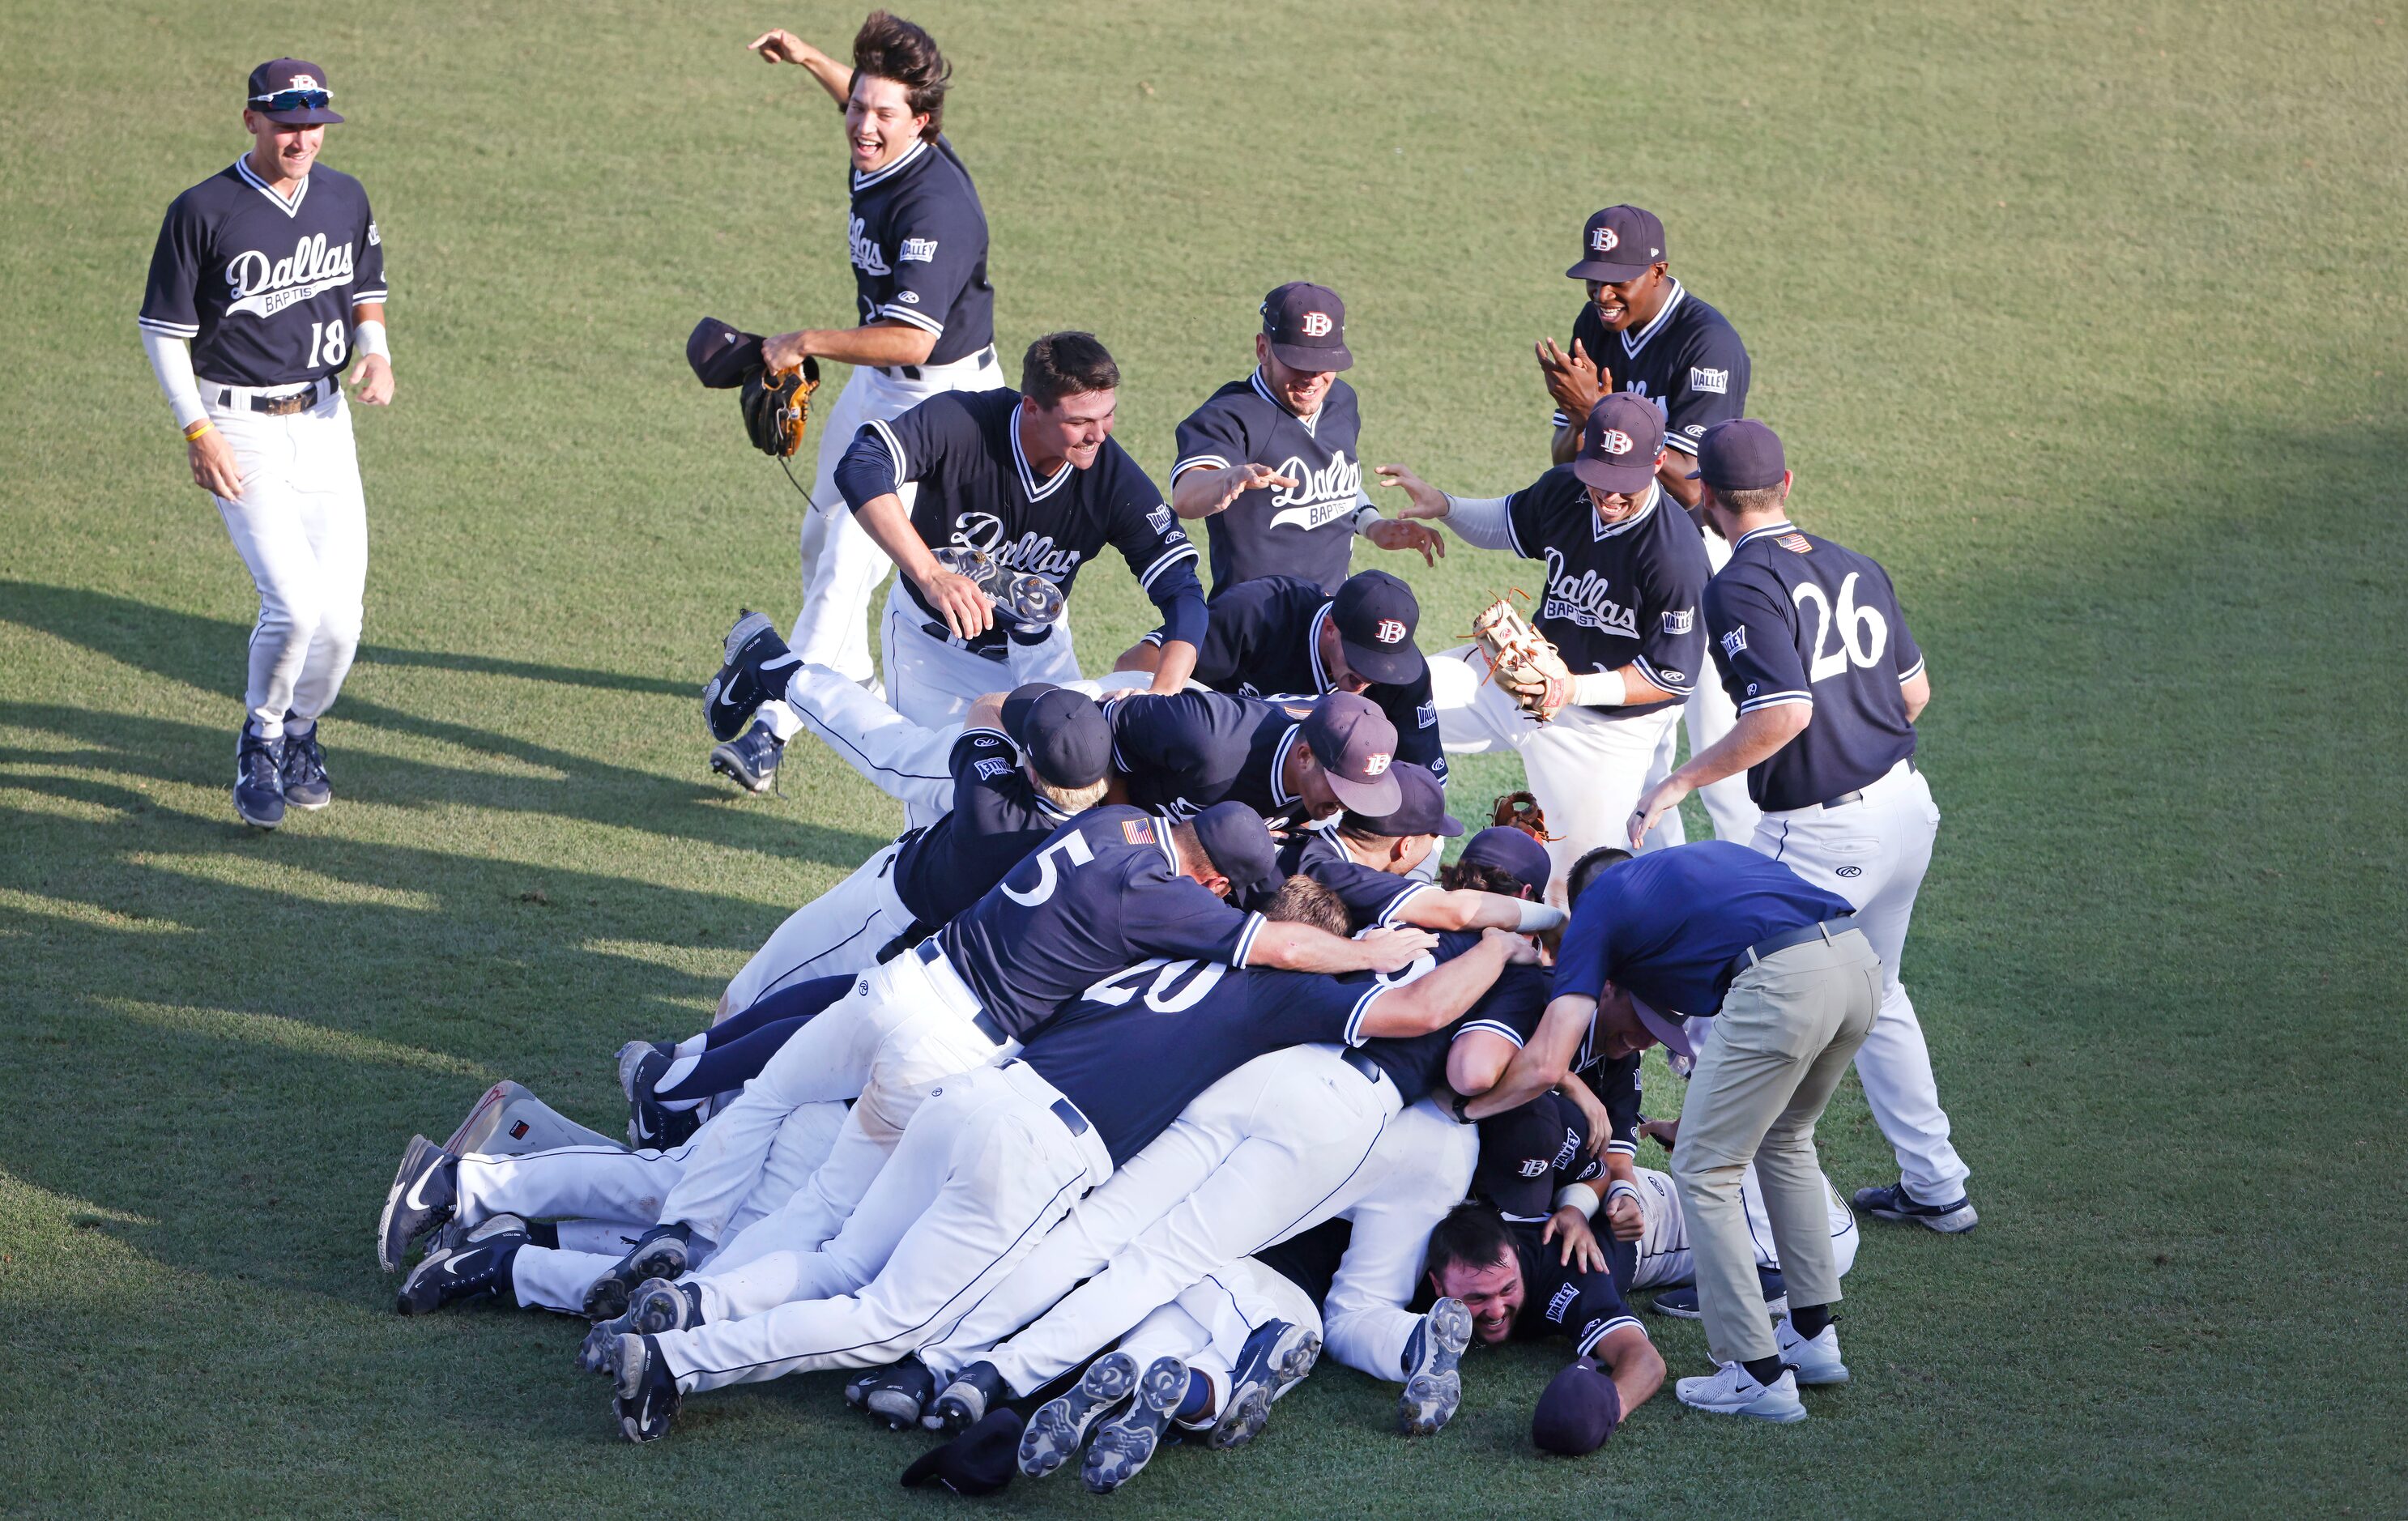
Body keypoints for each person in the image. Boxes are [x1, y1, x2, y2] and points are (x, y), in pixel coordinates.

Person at [587, 884, 1520, 1443]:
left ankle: (701, 1300)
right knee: (880, 1320)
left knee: (841, 1260)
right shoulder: (1285, 998)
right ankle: (675, 1358)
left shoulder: (1178, 943)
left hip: (969, 1092)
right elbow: (1424, 1015)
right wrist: (1497, 941)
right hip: (1036, 1144)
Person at [585, 802, 1430, 1306]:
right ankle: (689, 1304)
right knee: (821, 1215)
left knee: (765, 1101)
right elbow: (1276, 948)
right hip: (946, 1045)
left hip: (897, 983)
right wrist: (1364, 956)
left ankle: (676, 1232)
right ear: (1211, 882)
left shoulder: (1113, 822)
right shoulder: (1165, 896)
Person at [1630, 419, 1975, 1230]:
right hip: (1905, 811)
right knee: (1878, 991)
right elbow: (1913, 695)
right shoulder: (1856, 564)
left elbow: (1783, 711)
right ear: (1787, 484)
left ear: (1706, 498)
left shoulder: (1740, 584)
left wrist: (1684, 777)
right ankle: (1937, 1184)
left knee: (1740, 991)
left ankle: (1750, 1228)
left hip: (1826, 837)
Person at [1470, 840, 1879, 1422]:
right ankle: (1811, 1337)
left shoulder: (1600, 907)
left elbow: (1541, 1063)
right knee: (1784, 1141)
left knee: (1704, 1169)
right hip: (1857, 964)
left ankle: (1756, 1373)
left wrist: (1462, 1110)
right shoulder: (1695, 864)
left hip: (1782, 981)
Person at [718, 334, 1206, 820]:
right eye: (1079, 421)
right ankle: (783, 674)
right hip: (932, 648)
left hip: (1040, 648)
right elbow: (862, 465)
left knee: (1066, 799)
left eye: (1107, 415)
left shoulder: (1111, 477)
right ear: (1032, 407)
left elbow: (1184, 595)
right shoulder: (964, 422)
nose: (1099, 434)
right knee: (951, 800)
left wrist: (1162, 694)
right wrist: (929, 573)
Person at [722, 14, 1004, 787]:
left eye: (884, 115)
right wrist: (808, 57)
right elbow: (861, 96)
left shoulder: (935, 211)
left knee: (848, 565)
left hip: (943, 407)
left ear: (923, 122)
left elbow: (913, 339)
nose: (864, 125)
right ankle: (861, 688)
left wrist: (804, 339)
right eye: (859, 109)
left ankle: (772, 730)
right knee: (821, 548)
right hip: (878, 387)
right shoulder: (883, 146)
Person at [139, 58, 394, 829]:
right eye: (287, 122)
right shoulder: (202, 210)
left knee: (343, 618)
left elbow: (364, 287)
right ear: (251, 120)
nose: (302, 137)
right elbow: (163, 331)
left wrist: (376, 349)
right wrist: (196, 428)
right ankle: (263, 733)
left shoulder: (345, 195)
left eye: (313, 123)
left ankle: (303, 731)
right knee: (291, 604)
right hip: (237, 423)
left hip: (322, 423)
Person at [1375, 394, 1711, 882]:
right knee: (1396, 704)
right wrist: (1445, 505)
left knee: (1574, 885)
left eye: (1623, 486)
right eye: (1599, 479)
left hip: (1604, 734)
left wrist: (1570, 689)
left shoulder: (1676, 555)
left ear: (1658, 463)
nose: (1609, 497)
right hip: (1513, 684)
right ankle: (1409, 879)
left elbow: (1669, 678)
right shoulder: (1565, 492)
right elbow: (1508, 522)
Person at [692, 665, 1111, 1022]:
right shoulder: (1106, 828)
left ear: (1034, 773)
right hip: (944, 970)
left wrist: (1067, 704)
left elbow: (988, 707)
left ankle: (685, 1105)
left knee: (751, 1001)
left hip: (883, 924)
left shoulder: (992, 805)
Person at [1533, 204, 1758, 843]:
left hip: (1708, 560)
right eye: (1592, 280)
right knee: (1636, 750)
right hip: (1630, 553)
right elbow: (1563, 462)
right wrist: (1585, 421)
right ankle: (1653, 900)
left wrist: (1601, 409)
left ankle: (1743, 909)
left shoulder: (1706, 343)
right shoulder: (1593, 324)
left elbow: (1694, 485)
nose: (1601, 295)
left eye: (1618, 281)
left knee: (1720, 754)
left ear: (1657, 271)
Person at [1167, 282, 1441, 595]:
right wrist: (1229, 478)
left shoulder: (1341, 401)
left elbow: (1334, 483)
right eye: (1297, 361)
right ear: (1263, 349)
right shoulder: (1229, 415)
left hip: (1330, 618)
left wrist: (1372, 525)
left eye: (1324, 362)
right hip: (1255, 621)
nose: (1311, 377)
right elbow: (1185, 497)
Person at [1114, 568, 1446, 786]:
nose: (1369, 678)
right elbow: (1132, 665)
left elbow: (1426, 784)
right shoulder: (1260, 611)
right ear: (1330, 628)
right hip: (1207, 768)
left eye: (1382, 664)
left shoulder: (1403, 679)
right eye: (1362, 659)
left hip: (1312, 801)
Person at [1417, 1204, 1665, 1445]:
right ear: (1438, 1285)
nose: (1496, 1310)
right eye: (1477, 1297)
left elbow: (1645, 1361)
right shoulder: (1414, 1281)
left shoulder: (1569, 1271)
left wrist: (1605, 1408)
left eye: (1508, 1288)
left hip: (1658, 1221)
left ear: (1516, 1255)